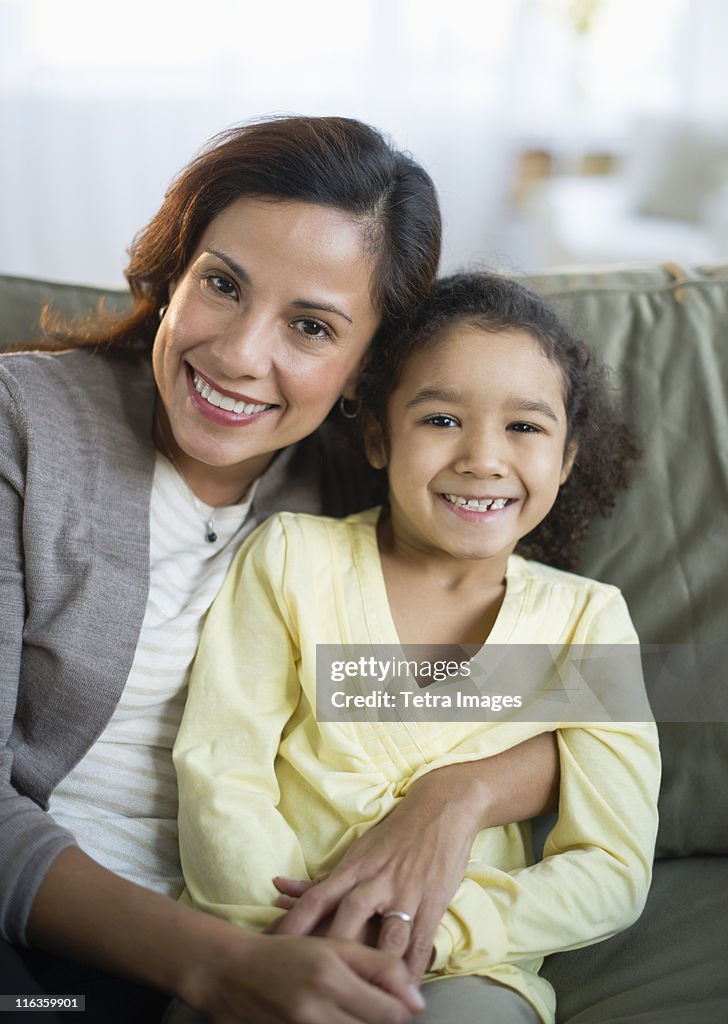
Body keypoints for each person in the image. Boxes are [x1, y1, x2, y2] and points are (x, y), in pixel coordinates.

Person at [0, 117, 560, 1024]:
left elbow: (591, 690)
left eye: (310, 326)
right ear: (171, 273)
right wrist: (222, 967)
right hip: (47, 958)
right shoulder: (23, 430)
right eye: (222, 285)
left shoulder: (366, 488)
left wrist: (457, 796)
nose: (237, 355)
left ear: (364, 371)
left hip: (274, 945)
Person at [173, 273, 661, 1024]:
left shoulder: (587, 624)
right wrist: (280, 934)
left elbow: (611, 867)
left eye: (525, 428)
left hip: (462, 970)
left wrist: (429, 934)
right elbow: (221, 773)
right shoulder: (292, 561)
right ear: (378, 435)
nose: (483, 458)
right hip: (265, 943)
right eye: (441, 419)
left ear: (566, 460)